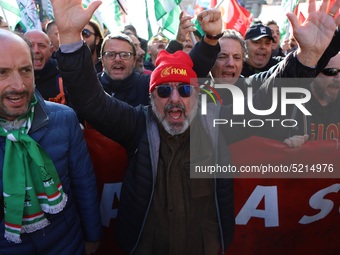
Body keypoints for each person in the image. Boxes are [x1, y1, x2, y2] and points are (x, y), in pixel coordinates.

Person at [51, 0, 340, 253]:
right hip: (145, 245)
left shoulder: (216, 124)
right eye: (164, 91)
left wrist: (308, 58)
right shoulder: (137, 124)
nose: (175, 100)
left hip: (205, 246)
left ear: (198, 95)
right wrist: (69, 37)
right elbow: (90, 100)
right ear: (151, 96)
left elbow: (266, 95)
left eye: (185, 91)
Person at [0, 29, 101, 255]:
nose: (18, 85)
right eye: (2, 72)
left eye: (26, 70)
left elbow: (84, 186)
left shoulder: (63, 119)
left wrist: (93, 237)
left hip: (68, 245)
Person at [24, 30, 68, 105]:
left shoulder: (65, 74)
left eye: (41, 46)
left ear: (51, 51)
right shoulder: (9, 76)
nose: (36, 50)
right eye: (30, 45)